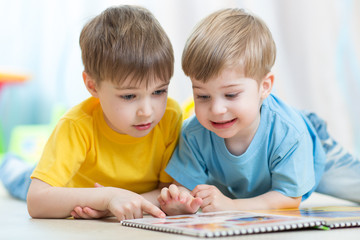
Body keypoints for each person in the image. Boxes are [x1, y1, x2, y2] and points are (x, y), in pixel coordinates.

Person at [157, 8, 360, 216]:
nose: (216, 110)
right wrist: (180, 200)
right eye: (203, 96)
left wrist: (233, 206)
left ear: (265, 86)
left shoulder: (290, 133)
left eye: (231, 95)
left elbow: (289, 198)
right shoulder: (194, 134)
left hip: (315, 149)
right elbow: (184, 186)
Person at [1, 5, 183, 221]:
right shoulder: (76, 125)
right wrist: (106, 197)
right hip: (68, 190)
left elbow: (167, 191)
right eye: (129, 96)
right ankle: (10, 165)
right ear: (92, 85)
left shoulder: (170, 115)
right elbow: (37, 201)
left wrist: (114, 203)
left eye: (159, 91)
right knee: (22, 179)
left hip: (103, 200)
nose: (147, 111)